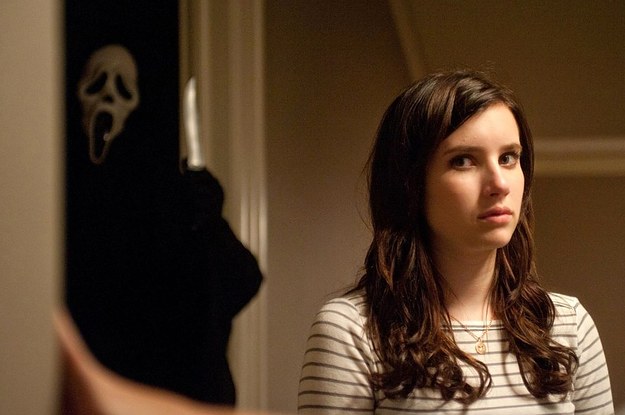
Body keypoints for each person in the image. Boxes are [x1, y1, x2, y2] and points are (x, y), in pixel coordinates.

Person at [297, 70, 614, 414]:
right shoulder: (352, 331)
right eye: (463, 161)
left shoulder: (568, 325)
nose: (499, 183)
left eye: (508, 157)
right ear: (410, 184)